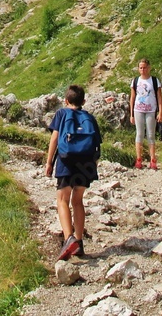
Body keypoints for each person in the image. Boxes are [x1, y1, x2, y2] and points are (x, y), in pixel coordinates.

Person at [45, 84, 101, 261]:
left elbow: (54, 138)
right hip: (86, 163)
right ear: (83, 101)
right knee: (78, 201)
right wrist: (93, 166)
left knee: (62, 199)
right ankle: (79, 242)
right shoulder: (90, 118)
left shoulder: (61, 114)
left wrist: (48, 163)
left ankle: (68, 239)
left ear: (66, 101)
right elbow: (97, 145)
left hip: (66, 161)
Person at [129, 58, 162, 170]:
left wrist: (160, 112)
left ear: (149, 68)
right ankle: (139, 159)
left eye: (144, 67)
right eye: (141, 68)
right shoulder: (135, 81)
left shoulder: (154, 81)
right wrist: (131, 114)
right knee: (139, 134)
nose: (143, 70)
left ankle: (153, 160)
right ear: (138, 69)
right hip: (138, 110)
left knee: (150, 135)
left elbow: (159, 98)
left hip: (151, 110)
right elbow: (132, 98)